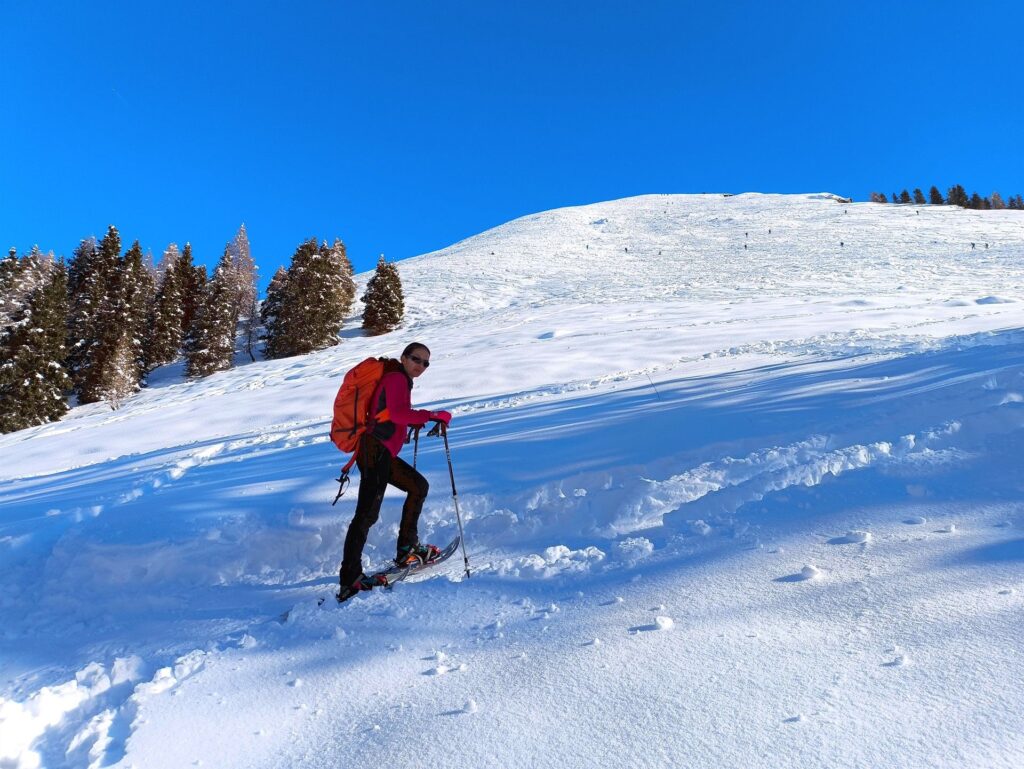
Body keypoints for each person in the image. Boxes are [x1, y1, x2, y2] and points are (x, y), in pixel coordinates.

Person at [338, 342, 452, 600]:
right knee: (366, 515)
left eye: (426, 362)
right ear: (403, 357)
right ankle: (350, 579)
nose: (420, 365)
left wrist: (417, 420)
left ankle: (407, 549)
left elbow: (393, 414)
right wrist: (431, 416)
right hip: (373, 451)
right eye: (416, 359)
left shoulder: (399, 379)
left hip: (381, 453)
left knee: (418, 486)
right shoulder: (396, 378)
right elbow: (400, 414)